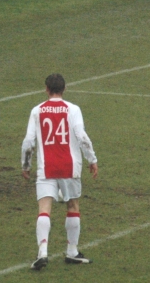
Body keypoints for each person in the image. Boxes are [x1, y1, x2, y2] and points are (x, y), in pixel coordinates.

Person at [21, 73, 98, 270]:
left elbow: (29, 143)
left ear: (46, 89)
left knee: (44, 208)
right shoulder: (73, 109)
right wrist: (92, 159)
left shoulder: (37, 111)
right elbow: (81, 136)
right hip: (69, 166)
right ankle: (72, 251)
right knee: (72, 205)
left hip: (46, 168)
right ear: (64, 89)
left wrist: (26, 166)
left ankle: (43, 252)